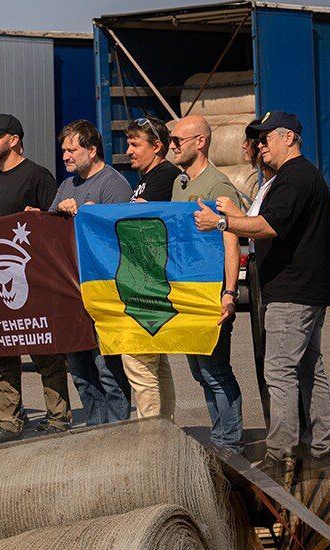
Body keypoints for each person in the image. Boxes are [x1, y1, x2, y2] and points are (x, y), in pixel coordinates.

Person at [195, 111, 330, 477]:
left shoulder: (295, 179)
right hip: (303, 288)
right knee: (308, 368)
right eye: (257, 139)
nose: (260, 145)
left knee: (280, 371)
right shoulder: (292, 178)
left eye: (266, 137)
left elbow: (269, 226)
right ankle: (320, 450)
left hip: (292, 290)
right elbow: (264, 220)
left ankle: (280, 454)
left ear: (289, 137)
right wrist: (235, 213)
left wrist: (222, 221)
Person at [0, 114, 71, 443]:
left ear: (14, 139)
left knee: (45, 350)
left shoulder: (38, 176)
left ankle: (58, 417)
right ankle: (8, 420)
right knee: (0, 350)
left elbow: (56, 226)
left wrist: (41, 218)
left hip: (34, 278)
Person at [50, 120, 133, 427]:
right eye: (63, 151)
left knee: (107, 369)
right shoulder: (67, 185)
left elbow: (118, 237)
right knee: (81, 371)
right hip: (71, 291)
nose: (66, 156)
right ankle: (95, 431)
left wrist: (83, 213)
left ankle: (117, 432)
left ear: (92, 150)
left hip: (102, 290)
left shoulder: (112, 184)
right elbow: (52, 229)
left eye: (72, 150)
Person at [172, 114, 244, 453]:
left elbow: (233, 240)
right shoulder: (181, 183)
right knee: (200, 373)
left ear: (200, 142)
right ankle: (220, 436)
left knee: (216, 371)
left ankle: (228, 443)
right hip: (186, 292)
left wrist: (229, 293)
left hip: (210, 293)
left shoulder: (218, 186)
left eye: (177, 141)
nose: (171, 146)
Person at [122, 116, 182, 420]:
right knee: (154, 363)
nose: (129, 150)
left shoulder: (164, 175)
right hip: (146, 281)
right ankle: (163, 428)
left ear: (157, 146)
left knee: (137, 360)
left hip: (149, 283)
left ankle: (151, 435)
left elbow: (139, 219)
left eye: (136, 144)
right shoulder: (148, 177)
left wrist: (98, 212)